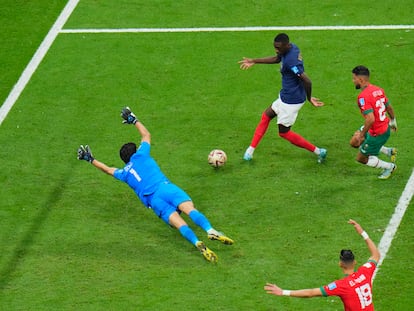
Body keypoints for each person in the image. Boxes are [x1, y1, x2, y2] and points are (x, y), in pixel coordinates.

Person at [77, 107, 234, 263]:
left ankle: (197, 243)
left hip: (154, 202)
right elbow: (146, 135)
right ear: (135, 151)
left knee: (179, 225)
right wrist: (134, 120)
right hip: (165, 188)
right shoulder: (141, 155)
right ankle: (210, 230)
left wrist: (90, 159)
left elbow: (108, 170)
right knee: (190, 209)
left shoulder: (124, 173)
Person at [238, 33, 327, 163]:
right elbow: (277, 59)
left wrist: (309, 98)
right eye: (275, 47)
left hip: (291, 101)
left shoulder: (292, 61)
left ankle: (319, 151)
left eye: (278, 48)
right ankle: (250, 151)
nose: (276, 50)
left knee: (284, 133)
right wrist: (254, 60)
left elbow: (307, 80)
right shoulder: (290, 48)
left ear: (286, 45)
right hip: (286, 95)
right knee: (266, 116)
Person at [264, 219, 381, 311]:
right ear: (354, 262)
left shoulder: (341, 286)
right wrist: (362, 233)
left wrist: (283, 291)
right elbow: (375, 255)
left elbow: (310, 293)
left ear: (340, 264)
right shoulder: (365, 272)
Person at [350, 65, 397, 179]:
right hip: (380, 126)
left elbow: (370, 119)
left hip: (378, 133)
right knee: (353, 142)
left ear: (361, 80)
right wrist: (393, 121)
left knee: (361, 158)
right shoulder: (378, 89)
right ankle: (388, 151)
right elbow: (388, 107)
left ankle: (389, 167)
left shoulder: (363, 97)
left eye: (354, 78)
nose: (353, 81)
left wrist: (362, 135)